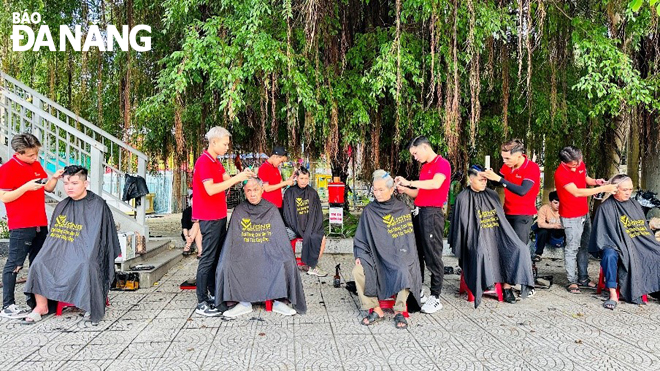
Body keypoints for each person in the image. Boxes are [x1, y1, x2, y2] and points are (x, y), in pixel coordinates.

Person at [22, 166, 120, 324]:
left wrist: (84, 252)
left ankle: (90, 305)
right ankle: (42, 306)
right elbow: (55, 237)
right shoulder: (62, 206)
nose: (69, 187)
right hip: (63, 251)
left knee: (86, 263)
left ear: (85, 183)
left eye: (74, 183)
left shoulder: (98, 205)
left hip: (88, 251)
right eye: (66, 183)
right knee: (38, 263)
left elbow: (99, 239)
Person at [215, 177, 306, 318]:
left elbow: (278, 238)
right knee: (226, 263)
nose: (252, 194)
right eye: (249, 191)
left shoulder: (271, 209)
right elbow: (233, 240)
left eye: (256, 190)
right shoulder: (239, 210)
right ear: (244, 192)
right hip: (245, 251)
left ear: (262, 190)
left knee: (286, 261)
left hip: (269, 250)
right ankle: (244, 303)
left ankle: (278, 300)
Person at [448, 166, 535, 307]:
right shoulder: (462, 199)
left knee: (520, 248)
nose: (484, 183)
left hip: (496, 236)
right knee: (480, 251)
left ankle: (507, 288)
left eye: (485, 180)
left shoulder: (493, 195)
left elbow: (500, 221)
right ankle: (485, 282)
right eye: (480, 180)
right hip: (474, 238)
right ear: (471, 179)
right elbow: (461, 227)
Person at [192, 127, 255, 317]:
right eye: (225, 144)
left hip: (219, 215)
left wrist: (247, 178)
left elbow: (229, 179)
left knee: (217, 256)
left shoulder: (215, 162)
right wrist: (239, 177)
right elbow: (211, 189)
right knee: (207, 258)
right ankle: (201, 301)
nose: (227, 147)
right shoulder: (204, 162)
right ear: (214, 142)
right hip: (209, 217)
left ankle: (212, 293)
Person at [0, 133, 63, 319]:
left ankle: (38, 302)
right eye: (30, 155)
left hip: (40, 222)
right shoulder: (7, 169)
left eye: (36, 154)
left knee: (39, 262)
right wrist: (25, 187)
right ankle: (7, 305)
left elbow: (47, 188)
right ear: (18, 153)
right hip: (21, 224)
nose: (35, 158)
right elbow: (4, 197)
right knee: (15, 263)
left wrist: (55, 177)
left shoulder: (35, 165)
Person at [353, 170, 422, 329]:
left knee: (404, 269)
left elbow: (406, 241)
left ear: (392, 190)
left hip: (397, 255)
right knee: (358, 271)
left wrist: (403, 255)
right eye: (375, 190)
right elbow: (361, 239)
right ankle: (376, 309)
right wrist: (360, 255)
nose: (377, 193)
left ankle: (399, 310)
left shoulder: (402, 209)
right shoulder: (369, 211)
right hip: (375, 256)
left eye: (381, 190)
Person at [395, 136, 451, 314]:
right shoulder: (425, 167)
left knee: (433, 256)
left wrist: (408, 181)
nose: (415, 157)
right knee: (417, 253)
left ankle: (436, 297)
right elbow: (419, 193)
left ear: (425, 147)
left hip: (432, 215)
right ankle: (418, 290)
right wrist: (405, 189)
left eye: (415, 153)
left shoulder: (442, 164)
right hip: (419, 212)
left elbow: (435, 184)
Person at [589, 174, 660, 310]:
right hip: (613, 243)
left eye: (630, 189)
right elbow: (603, 235)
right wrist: (623, 245)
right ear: (615, 189)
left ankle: (656, 290)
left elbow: (641, 229)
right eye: (625, 190)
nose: (628, 193)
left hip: (635, 242)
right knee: (609, 255)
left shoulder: (634, 204)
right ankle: (612, 294)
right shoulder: (605, 208)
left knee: (656, 250)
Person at [554, 146, 618, 294]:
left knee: (584, 246)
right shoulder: (560, 174)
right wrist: (603, 189)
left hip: (584, 213)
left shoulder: (579, 163)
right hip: (570, 217)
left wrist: (597, 182)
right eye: (573, 165)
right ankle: (572, 280)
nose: (577, 166)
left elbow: (585, 179)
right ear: (565, 162)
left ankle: (583, 278)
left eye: (579, 162)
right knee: (572, 248)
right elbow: (577, 192)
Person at [482, 139, 540, 249]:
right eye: (503, 158)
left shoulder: (532, 168)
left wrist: (499, 179)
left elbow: (522, 191)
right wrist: (490, 175)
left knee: (519, 248)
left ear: (519, 155)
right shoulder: (507, 166)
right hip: (507, 212)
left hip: (523, 214)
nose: (504, 161)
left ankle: (525, 265)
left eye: (507, 158)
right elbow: (498, 182)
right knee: (506, 245)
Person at [282, 166, 327, 276]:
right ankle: (288, 265)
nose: (304, 181)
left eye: (306, 178)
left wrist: (310, 228)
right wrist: (298, 227)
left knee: (321, 237)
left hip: (309, 226)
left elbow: (317, 214)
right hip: (293, 227)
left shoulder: (313, 193)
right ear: (296, 178)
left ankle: (312, 265)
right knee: (282, 236)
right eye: (301, 178)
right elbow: (287, 214)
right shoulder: (289, 193)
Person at [258, 146, 295, 213]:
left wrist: (290, 179)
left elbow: (281, 184)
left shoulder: (276, 168)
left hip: (278, 205)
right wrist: (285, 183)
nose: (281, 164)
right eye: (281, 161)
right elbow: (266, 188)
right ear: (275, 156)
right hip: (268, 207)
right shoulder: (263, 168)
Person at [532, 191, 565, 262]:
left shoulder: (565, 209)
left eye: (560, 203)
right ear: (550, 202)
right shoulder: (544, 209)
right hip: (547, 231)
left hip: (559, 232)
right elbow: (540, 224)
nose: (558, 205)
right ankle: (538, 254)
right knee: (542, 231)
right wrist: (554, 225)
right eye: (556, 203)